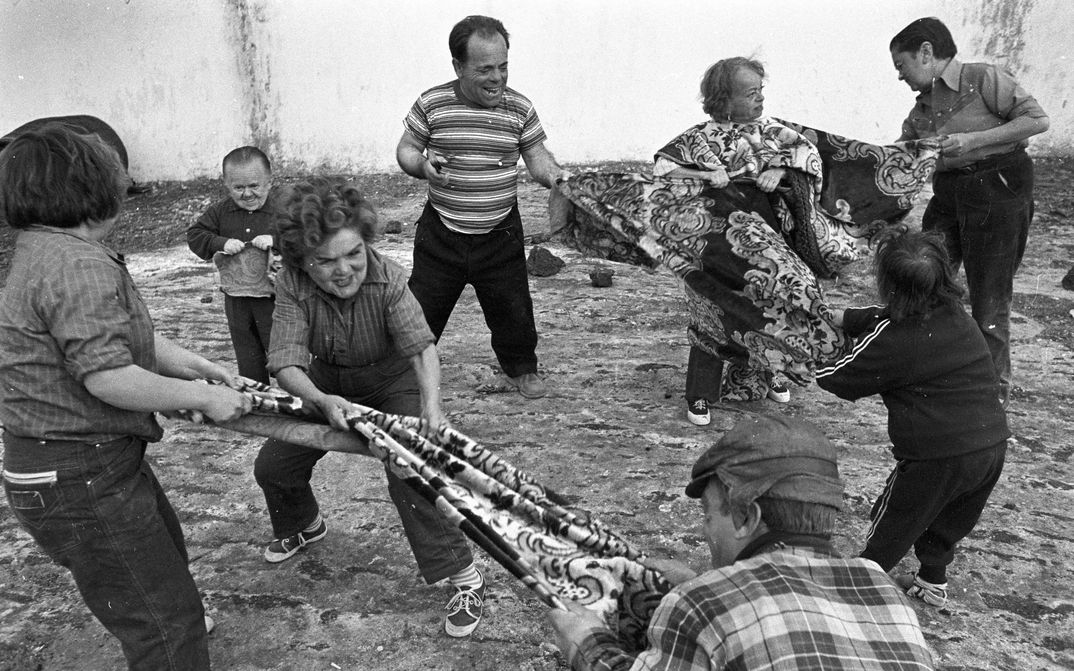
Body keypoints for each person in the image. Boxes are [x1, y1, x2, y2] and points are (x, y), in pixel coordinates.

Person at [0, 125, 253, 670]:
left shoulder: (48, 249)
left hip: (83, 464)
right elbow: (109, 376)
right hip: (78, 472)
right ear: (92, 186)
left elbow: (117, 338)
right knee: (164, 627)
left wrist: (197, 366)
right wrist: (203, 398)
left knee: (165, 569)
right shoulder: (77, 264)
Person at [252, 178, 486, 637]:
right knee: (274, 463)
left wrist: (431, 410)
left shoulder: (389, 276)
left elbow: (420, 349)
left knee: (410, 471)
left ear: (366, 243)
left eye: (352, 254)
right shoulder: (291, 284)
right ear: (302, 260)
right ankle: (304, 523)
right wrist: (321, 400)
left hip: (390, 379)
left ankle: (464, 575)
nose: (344, 270)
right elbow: (285, 360)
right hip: (326, 381)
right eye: (326, 260)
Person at [548, 415, 935, 670]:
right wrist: (698, 584)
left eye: (708, 516)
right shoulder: (883, 588)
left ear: (747, 516)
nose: (704, 532)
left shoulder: (699, 606)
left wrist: (587, 643)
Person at [816, 229, 1009, 608]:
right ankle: (931, 582)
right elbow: (886, 319)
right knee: (948, 520)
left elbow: (837, 378)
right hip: (990, 445)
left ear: (886, 284)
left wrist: (805, 344)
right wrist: (849, 318)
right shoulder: (955, 314)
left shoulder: (894, 340)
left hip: (936, 456)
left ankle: (850, 592)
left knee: (894, 522)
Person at [396, 15, 569, 400]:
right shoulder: (433, 103)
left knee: (513, 312)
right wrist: (423, 166)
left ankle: (521, 368)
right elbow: (406, 149)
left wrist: (558, 178)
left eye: (503, 67)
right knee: (420, 310)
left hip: (500, 234)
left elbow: (537, 157)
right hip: (441, 233)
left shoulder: (519, 109)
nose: (497, 78)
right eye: (485, 69)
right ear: (458, 66)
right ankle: (402, 373)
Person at [653, 57, 826, 424]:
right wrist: (703, 172)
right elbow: (663, 167)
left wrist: (780, 170)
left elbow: (809, 158)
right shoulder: (698, 138)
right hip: (713, 242)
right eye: (751, 94)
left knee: (766, 305)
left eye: (761, 90)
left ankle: (769, 374)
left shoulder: (774, 133)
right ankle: (700, 393)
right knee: (711, 310)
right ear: (724, 101)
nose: (760, 99)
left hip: (765, 237)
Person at [889, 17, 1049, 407]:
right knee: (922, 282)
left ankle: (990, 401)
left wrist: (972, 140)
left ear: (926, 53)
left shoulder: (984, 78)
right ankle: (929, 376)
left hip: (999, 190)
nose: (899, 77)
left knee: (989, 301)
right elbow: (903, 156)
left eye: (901, 66)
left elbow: (1038, 120)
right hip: (947, 198)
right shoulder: (921, 109)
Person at [187, 146, 280, 384]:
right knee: (248, 355)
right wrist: (221, 242)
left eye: (254, 186)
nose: (247, 194)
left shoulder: (283, 210)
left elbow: (306, 237)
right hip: (236, 299)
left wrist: (277, 241)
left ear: (269, 181)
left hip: (275, 299)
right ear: (226, 184)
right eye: (238, 188)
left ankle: (300, 400)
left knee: (281, 352)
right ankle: (258, 400)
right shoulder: (220, 212)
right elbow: (195, 235)